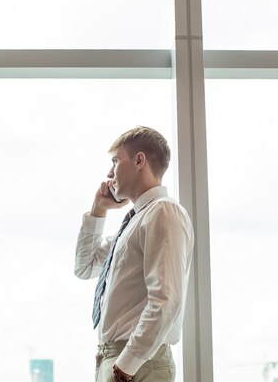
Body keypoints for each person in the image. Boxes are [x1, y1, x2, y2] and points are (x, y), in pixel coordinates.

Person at [75, 126, 194, 382]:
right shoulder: (133, 224)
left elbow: (166, 299)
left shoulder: (163, 212)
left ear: (139, 161)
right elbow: (85, 266)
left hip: (137, 363)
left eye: (116, 161)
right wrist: (98, 208)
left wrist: (127, 364)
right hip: (120, 360)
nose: (109, 173)